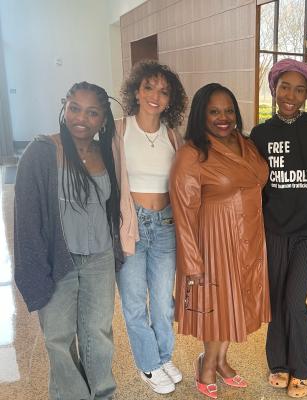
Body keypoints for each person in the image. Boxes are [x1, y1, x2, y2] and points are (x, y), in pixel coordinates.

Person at [14, 82, 122, 399]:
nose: (81, 118)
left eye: (92, 113)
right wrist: (35, 269)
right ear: (65, 107)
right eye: (75, 107)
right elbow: (27, 219)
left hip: (99, 259)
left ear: (103, 119)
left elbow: (112, 207)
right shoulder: (41, 152)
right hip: (59, 260)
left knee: (97, 334)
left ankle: (103, 393)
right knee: (58, 339)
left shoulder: (107, 153)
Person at [170, 83, 271, 399]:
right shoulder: (192, 153)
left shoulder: (247, 144)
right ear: (201, 114)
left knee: (237, 303)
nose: (223, 117)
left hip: (250, 235)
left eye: (228, 110)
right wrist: (191, 260)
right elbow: (183, 211)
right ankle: (207, 365)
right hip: (215, 239)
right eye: (214, 111)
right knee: (218, 307)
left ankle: (223, 361)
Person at [250, 58, 307, 398]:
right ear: (273, 88)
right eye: (284, 86)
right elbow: (253, 185)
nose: (291, 95)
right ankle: (279, 363)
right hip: (273, 230)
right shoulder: (261, 134)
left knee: (294, 298)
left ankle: (301, 366)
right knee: (275, 299)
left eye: (299, 89)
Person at [115, 60, 187, 394]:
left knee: (162, 302)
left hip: (165, 226)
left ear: (171, 100)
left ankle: (162, 355)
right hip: (132, 225)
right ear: (136, 91)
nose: (155, 96)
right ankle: (148, 364)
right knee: (133, 302)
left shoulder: (173, 135)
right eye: (149, 88)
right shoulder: (119, 130)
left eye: (163, 91)